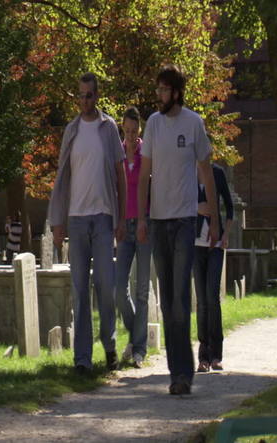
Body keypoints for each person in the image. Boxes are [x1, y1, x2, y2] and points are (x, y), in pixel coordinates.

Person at [137, 64, 219, 395]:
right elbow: (144, 175)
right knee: (168, 299)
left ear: (177, 92)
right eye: (157, 89)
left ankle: (184, 374)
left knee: (180, 300)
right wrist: (141, 218)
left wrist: (213, 219)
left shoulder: (194, 123)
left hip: (185, 220)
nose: (159, 95)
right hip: (158, 221)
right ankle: (176, 372)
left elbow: (207, 173)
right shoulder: (154, 124)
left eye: (164, 90)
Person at [48, 72, 127, 374]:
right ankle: (81, 359)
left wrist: (121, 217)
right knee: (80, 290)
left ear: (97, 96)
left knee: (105, 286)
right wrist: (58, 221)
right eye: (80, 95)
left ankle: (109, 347)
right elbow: (62, 178)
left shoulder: (108, 129)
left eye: (89, 95)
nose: (84, 100)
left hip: (104, 217)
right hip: (77, 219)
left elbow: (120, 174)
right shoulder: (71, 130)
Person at [115, 106, 151, 368]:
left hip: (144, 224)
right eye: (126, 130)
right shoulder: (116, 152)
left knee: (141, 290)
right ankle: (136, 334)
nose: (129, 135)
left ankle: (139, 350)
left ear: (139, 130)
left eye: (133, 131)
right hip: (123, 227)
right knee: (119, 289)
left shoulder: (145, 152)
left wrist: (142, 221)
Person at [193, 163, 233, 372]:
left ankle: (216, 354)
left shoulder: (217, 173)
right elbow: (179, 203)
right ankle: (203, 356)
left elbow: (229, 206)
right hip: (195, 245)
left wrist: (226, 235)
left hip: (216, 245)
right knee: (201, 302)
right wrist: (196, 207)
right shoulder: (188, 172)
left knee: (212, 298)